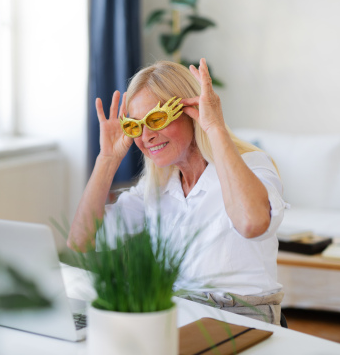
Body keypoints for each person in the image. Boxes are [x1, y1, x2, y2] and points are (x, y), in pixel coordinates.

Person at [67, 59, 288, 325]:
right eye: (135, 126)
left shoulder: (251, 165)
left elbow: (252, 223)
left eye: (157, 119)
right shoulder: (158, 185)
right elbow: (81, 240)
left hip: (240, 314)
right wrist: (107, 159)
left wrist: (215, 127)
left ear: (192, 111)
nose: (145, 136)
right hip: (177, 311)